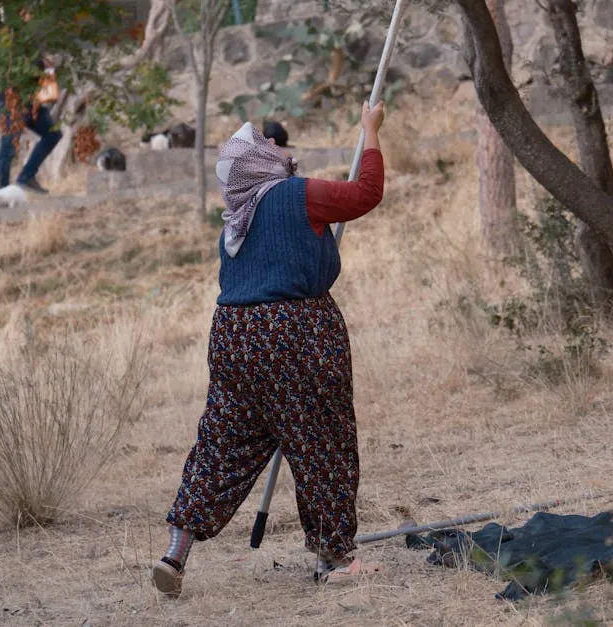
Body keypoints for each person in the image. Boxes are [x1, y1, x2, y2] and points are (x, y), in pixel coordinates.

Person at [152, 100, 387, 597]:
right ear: (258, 163)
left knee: (223, 442)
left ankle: (177, 547)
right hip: (296, 331)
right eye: (268, 145)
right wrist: (370, 130)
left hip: (233, 337)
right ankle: (335, 556)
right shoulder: (297, 196)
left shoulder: (234, 221)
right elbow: (367, 193)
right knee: (322, 440)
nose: (277, 146)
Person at [0, 11, 62, 195]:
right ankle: (1, 194)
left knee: (53, 134)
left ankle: (26, 176)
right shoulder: (10, 36)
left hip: (30, 98)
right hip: (10, 99)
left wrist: (47, 64)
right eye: (27, 12)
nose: (32, 15)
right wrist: (43, 64)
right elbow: (19, 67)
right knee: (9, 144)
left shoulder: (33, 37)